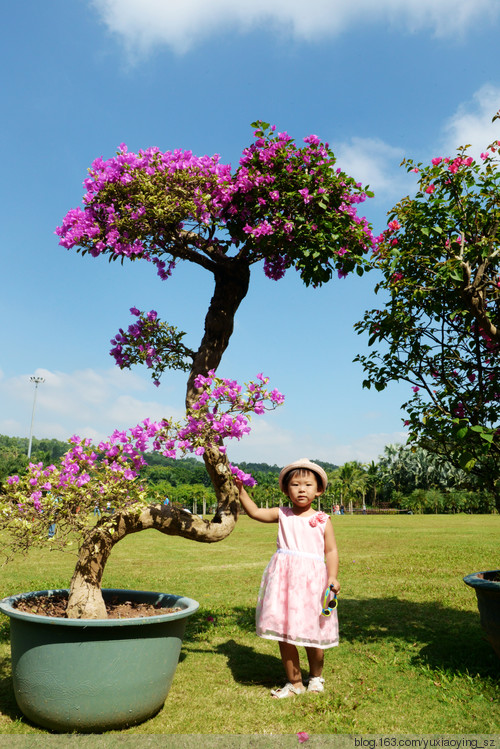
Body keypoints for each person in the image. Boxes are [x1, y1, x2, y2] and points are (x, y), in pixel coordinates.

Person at [236, 458, 340, 699]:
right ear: (286, 489)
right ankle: (295, 683)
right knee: (286, 633)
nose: (301, 489)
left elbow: (331, 551)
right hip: (284, 583)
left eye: (307, 485)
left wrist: (332, 577)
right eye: (295, 485)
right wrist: (241, 491)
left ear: (319, 490)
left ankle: (315, 677)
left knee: (313, 632)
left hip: (313, 583)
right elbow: (254, 512)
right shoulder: (282, 514)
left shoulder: (323, 520)